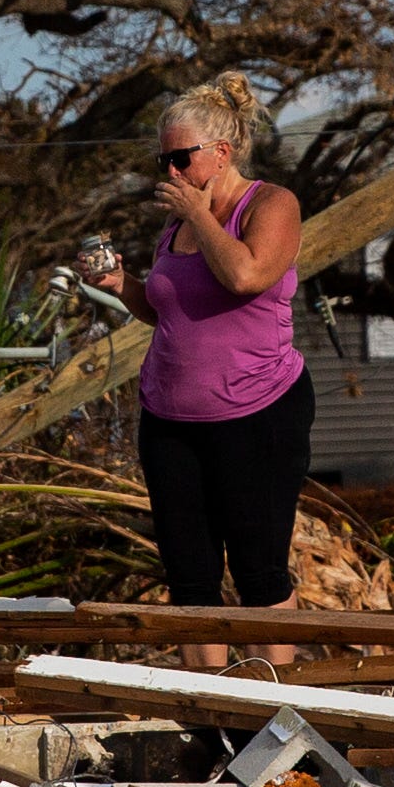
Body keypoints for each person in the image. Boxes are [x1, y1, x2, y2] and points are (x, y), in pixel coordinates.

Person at [114, 75, 308, 654]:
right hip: (171, 421)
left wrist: (202, 217)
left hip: (258, 413)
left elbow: (247, 275)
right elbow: (163, 309)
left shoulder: (271, 204)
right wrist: (118, 282)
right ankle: (209, 722)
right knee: (190, 579)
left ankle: (278, 710)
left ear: (220, 153)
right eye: (163, 160)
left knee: (259, 572)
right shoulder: (176, 225)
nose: (170, 172)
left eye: (181, 158)